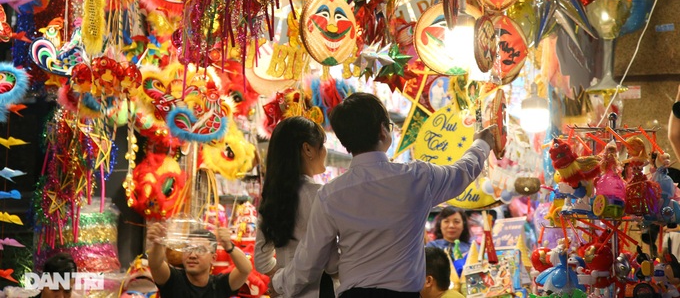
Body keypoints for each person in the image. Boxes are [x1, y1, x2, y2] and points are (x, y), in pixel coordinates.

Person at [271, 92, 502, 298]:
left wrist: (279, 283)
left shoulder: (330, 195)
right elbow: (462, 173)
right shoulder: (417, 177)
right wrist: (482, 144)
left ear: (344, 141)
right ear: (383, 130)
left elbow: (309, 259)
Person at [255, 116, 338, 298]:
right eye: (322, 145)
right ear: (307, 149)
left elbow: (261, 261)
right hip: (319, 291)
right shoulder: (319, 195)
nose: (325, 151)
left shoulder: (270, 197)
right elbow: (332, 263)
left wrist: (281, 276)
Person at [146, 223, 252, 298]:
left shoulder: (219, 285)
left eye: (200, 250)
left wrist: (229, 246)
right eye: (188, 249)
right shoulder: (173, 279)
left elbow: (245, 269)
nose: (192, 255)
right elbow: (156, 264)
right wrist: (158, 243)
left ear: (213, 258)